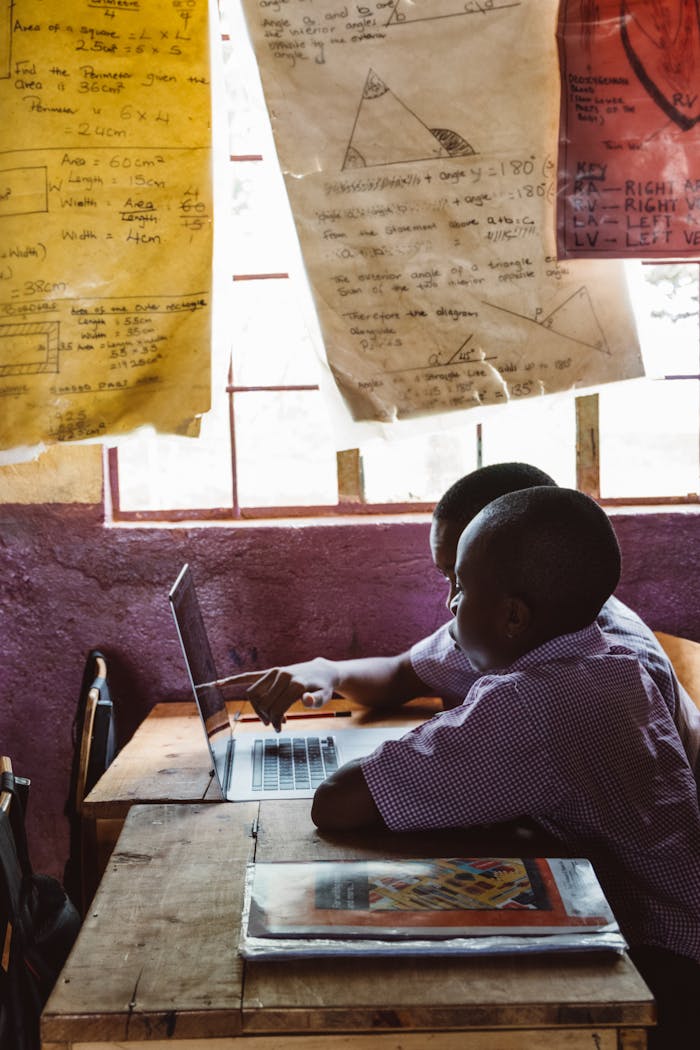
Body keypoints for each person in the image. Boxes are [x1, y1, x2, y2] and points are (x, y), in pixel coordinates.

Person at [311, 486, 700, 1050]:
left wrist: (450, 733)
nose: (449, 606)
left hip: (665, 968)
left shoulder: (534, 703)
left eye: (461, 588)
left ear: (514, 616)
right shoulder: (603, 661)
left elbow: (337, 802)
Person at [222, 462, 700, 783]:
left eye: (462, 576)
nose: (451, 599)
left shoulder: (606, 669)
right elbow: (401, 674)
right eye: (447, 575)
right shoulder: (515, 626)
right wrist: (331, 671)